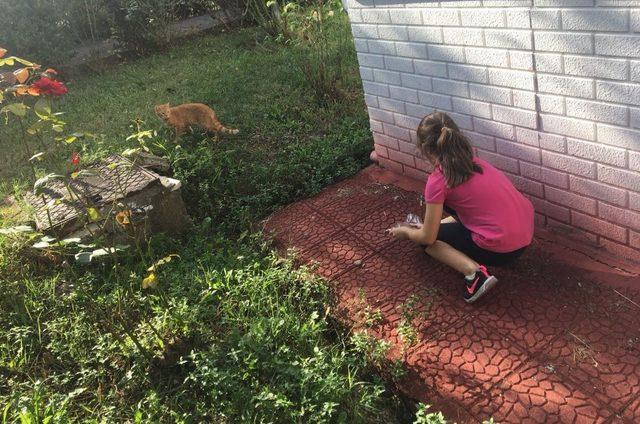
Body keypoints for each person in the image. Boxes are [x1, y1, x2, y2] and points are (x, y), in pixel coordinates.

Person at [387, 112, 534, 304]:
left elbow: (428, 238)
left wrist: (406, 232)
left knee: (426, 244)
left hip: (501, 250)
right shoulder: (476, 164)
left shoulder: (439, 181)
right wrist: (432, 226)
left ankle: (474, 273)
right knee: (446, 219)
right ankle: (474, 258)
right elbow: (467, 213)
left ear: (424, 149)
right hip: (523, 239)